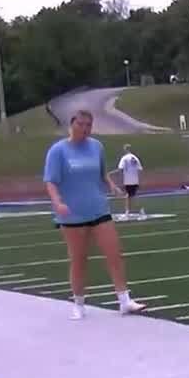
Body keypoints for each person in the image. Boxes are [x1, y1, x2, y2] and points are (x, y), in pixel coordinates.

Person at [43, 110, 148, 320]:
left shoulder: (96, 146)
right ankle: (79, 303)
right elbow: (50, 181)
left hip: (98, 208)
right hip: (73, 214)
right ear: (72, 124)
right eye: (80, 124)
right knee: (79, 259)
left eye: (88, 125)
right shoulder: (58, 151)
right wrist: (57, 202)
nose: (84, 129)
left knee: (114, 252)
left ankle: (124, 300)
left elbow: (101, 173)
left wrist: (111, 186)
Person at [114, 143, 146, 220]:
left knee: (130, 196)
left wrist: (116, 175)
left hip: (128, 180)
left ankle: (133, 211)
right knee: (130, 196)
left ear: (125, 150)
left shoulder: (124, 158)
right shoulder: (135, 158)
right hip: (135, 180)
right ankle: (130, 211)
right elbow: (140, 170)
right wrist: (139, 180)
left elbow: (120, 169)